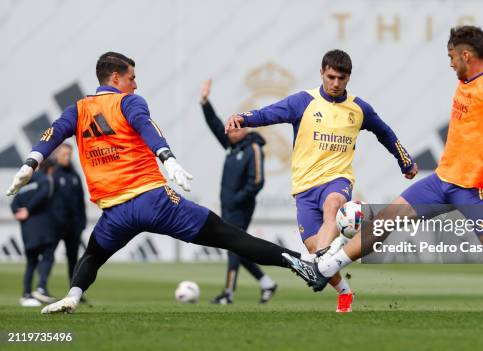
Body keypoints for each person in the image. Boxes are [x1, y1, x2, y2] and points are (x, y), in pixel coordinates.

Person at [286, 26, 483, 315]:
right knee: (386, 219)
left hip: (472, 190)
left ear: (466, 55)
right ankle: (327, 265)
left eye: (452, 57)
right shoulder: (471, 81)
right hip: (441, 181)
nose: (451, 63)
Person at [5, 52, 312, 314]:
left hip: (116, 214)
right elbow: (146, 127)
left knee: (93, 256)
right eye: (131, 77)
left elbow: (53, 132)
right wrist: (168, 159)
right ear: (115, 78)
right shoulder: (129, 102)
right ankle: (300, 263)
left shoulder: (78, 110)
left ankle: (72, 296)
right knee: (228, 236)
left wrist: (31, 162)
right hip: (154, 200)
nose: (135, 84)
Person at [225, 49, 418, 312]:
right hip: (304, 188)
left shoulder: (359, 108)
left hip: (337, 180)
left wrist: (404, 160)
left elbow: (385, 132)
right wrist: (243, 118)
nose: (336, 83)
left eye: (341, 78)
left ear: (349, 78)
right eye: (331, 77)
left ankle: (322, 264)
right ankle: (344, 291)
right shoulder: (304, 102)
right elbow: (270, 113)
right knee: (315, 248)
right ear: (322, 73)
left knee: (333, 207)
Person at [200, 79, 277, 304]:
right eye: (230, 128)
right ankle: (267, 283)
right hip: (229, 206)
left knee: (232, 246)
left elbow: (257, 181)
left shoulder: (253, 146)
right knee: (237, 246)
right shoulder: (233, 147)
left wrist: (237, 199)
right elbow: (215, 125)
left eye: (235, 127)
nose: (230, 132)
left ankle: (228, 294)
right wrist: (205, 102)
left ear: (245, 128)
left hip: (240, 207)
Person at [11, 159, 58, 306]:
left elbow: (14, 203)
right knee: (48, 256)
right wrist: (29, 209)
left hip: (26, 229)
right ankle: (41, 288)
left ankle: (26, 294)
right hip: (42, 226)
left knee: (31, 262)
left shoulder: (24, 183)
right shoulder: (44, 179)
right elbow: (43, 194)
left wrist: (19, 212)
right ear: (49, 169)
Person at [50, 143, 87, 288]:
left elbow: (80, 200)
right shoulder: (52, 173)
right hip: (56, 225)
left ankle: (74, 290)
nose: (67, 157)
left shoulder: (75, 175)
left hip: (73, 226)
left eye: (69, 154)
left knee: (74, 260)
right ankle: (41, 289)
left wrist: (82, 222)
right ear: (57, 155)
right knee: (48, 257)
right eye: (64, 154)